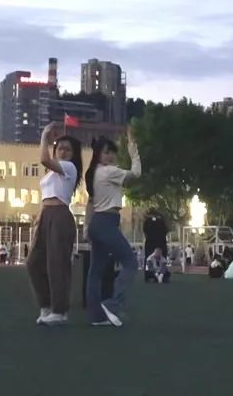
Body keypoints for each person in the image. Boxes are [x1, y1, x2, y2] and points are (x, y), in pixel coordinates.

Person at [26, 123, 82, 326]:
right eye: (60, 148)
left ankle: (60, 311)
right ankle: (46, 306)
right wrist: (39, 217)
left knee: (57, 263)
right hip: (46, 214)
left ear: (73, 155)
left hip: (59, 214)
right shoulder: (51, 173)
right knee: (34, 262)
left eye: (68, 149)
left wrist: (44, 136)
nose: (63, 152)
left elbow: (43, 159)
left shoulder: (69, 167)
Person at [85, 128, 141, 327]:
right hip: (107, 222)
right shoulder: (108, 171)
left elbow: (90, 202)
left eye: (112, 152)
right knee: (130, 262)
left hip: (97, 222)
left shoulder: (95, 173)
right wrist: (133, 149)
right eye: (106, 152)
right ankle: (112, 305)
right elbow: (136, 173)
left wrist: (86, 226)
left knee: (95, 271)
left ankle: (97, 316)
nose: (110, 156)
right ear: (98, 154)